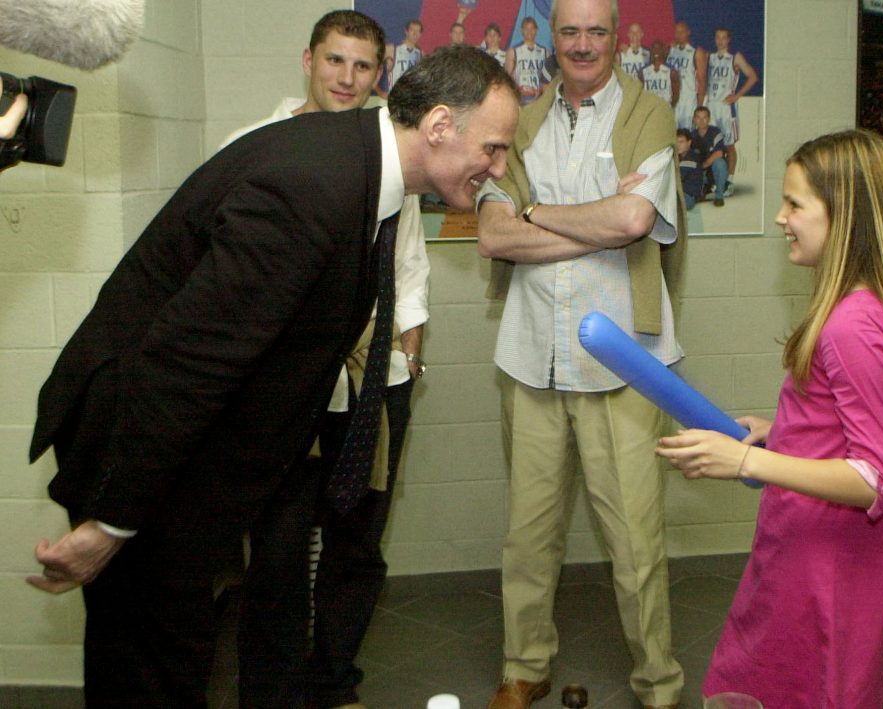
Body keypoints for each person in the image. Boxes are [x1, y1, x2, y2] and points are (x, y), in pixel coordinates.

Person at [26, 45, 519, 708]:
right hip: (139, 442)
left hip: (190, 447)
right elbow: (187, 363)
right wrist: (111, 522)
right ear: (437, 126)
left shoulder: (362, 163)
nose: (499, 168)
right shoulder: (310, 187)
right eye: (493, 148)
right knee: (148, 664)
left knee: (179, 644)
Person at [656, 129, 883, 708]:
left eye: (795, 204)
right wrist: (786, 431)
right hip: (826, 551)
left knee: (801, 686)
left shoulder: (850, 326)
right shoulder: (868, 307)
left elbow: (874, 476)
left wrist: (748, 458)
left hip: (825, 564)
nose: (779, 217)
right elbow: (861, 427)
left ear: (844, 218)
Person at [476, 0, 687, 706]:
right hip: (532, 351)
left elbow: (635, 219)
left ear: (617, 37)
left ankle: (658, 682)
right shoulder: (521, 122)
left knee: (635, 540)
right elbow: (495, 236)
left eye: (597, 30)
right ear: (552, 39)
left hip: (621, 359)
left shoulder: (647, 116)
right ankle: (524, 666)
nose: (584, 44)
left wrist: (535, 213)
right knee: (528, 534)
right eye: (570, 31)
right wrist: (594, 223)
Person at [218, 11, 430, 708]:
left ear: (381, 73)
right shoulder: (254, 145)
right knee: (277, 554)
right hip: (284, 379)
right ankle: (272, 695)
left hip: (373, 372)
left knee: (357, 542)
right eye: (335, 61)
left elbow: (406, 255)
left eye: (363, 66)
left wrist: (409, 336)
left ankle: (333, 678)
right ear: (307, 60)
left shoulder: (391, 152)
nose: (347, 78)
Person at [706, 27, 757, 197]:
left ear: (729, 40)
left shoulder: (735, 57)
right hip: (711, 106)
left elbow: (752, 76)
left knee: (729, 146)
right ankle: (714, 181)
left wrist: (737, 96)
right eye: (717, 37)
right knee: (712, 145)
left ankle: (729, 181)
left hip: (726, 108)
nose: (720, 41)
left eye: (724, 38)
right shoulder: (710, 57)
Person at [665, 21, 706, 130]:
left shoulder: (696, 52)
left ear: (688, 32)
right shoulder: (670, 50)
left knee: (688, 136)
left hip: (688, 102)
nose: (679, 34)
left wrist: (700, 106)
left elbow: (702, 81)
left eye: (682, 31)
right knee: (671, 136)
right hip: (672, 101)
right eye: (677, 32)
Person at [505, 16, 548, 105]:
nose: (529, 32)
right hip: (521, 99)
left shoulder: (545, 52)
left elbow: (548, 79)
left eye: (532, 28)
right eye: (526, 29)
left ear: (536, 30)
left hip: (539, 98)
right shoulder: (513, 51)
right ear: (522, 31)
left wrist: (541, 92)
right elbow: (507, 79)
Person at [691, 106, 727, 206]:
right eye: (698, 117)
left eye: (704, 117)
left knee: (720, 163)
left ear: (709, 119)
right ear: (694, 119)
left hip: (713, 170)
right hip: (700, 171)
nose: (701, 121)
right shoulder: (691, 136)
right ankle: (702, 189)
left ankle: (719, 196)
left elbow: (719, 153)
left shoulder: (715, 132)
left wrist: (702, 166)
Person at [641, 40, 679, 108]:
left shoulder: (672, 71)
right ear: (650, 51)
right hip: (649, 110)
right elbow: (640, 93)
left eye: (659, 48)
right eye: (654, 48)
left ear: (663, 51)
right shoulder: (643, 71)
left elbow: (676, 94)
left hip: (664, 110)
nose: (656, 51)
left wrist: (669, 106)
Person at [389, 19, 424, 88]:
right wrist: (379, 90)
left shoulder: (421, 54)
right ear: (406, 31)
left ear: (420, 34)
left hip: (412, 95)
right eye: (412, 30)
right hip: (396, 94)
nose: (415, 34)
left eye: (418, 31)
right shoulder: (392, 49)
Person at [675, 128, 702, 210]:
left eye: (681, 142)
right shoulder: (680, 156)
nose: (678, 145)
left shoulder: (691, 158)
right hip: (681, 195)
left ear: (689, 143)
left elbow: (676, 179)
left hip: (688, 198)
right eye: (676, 142)